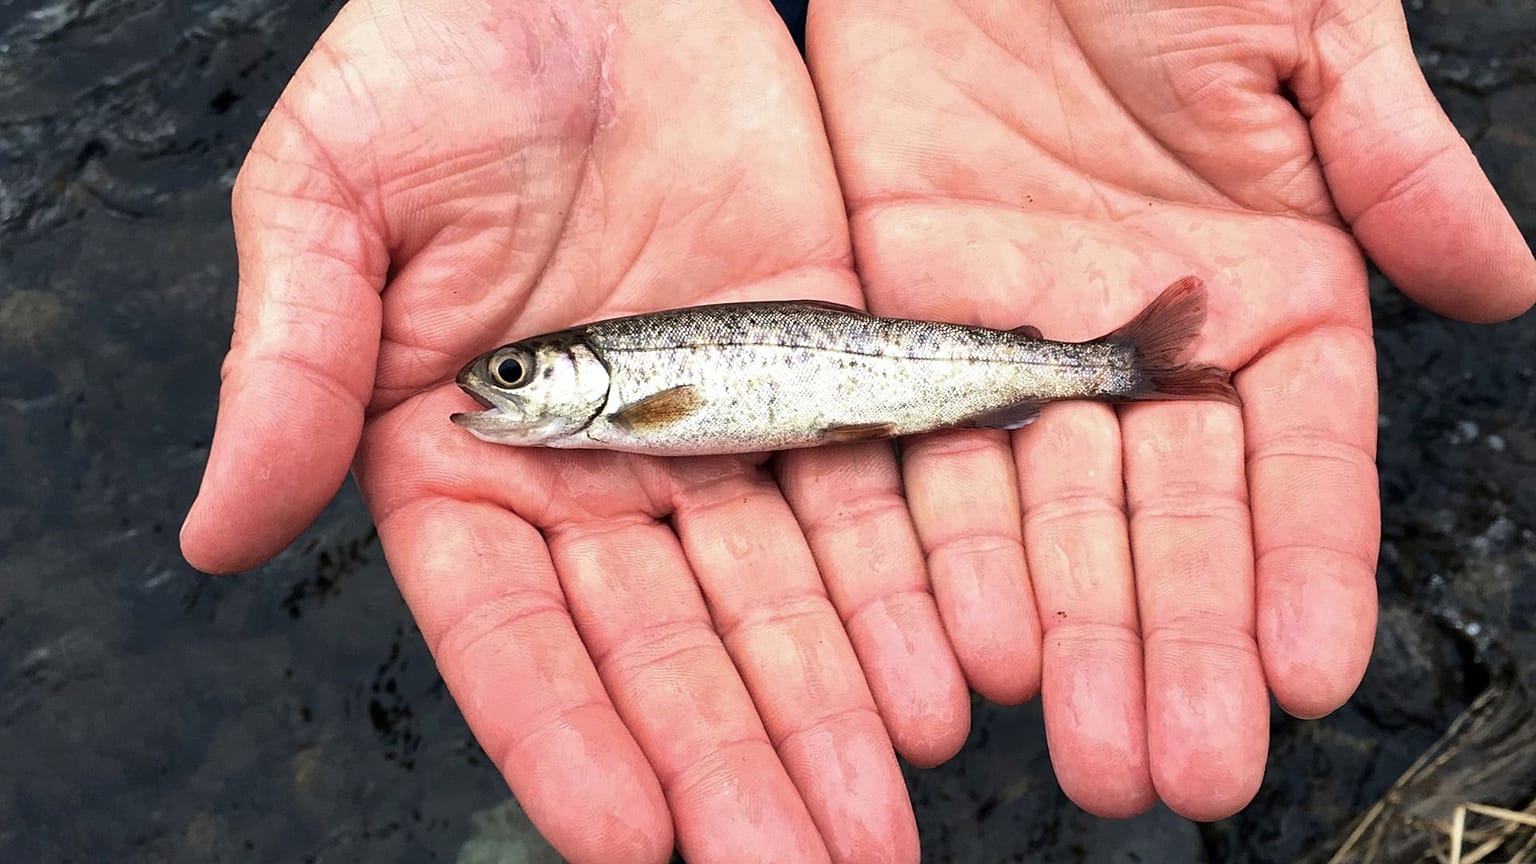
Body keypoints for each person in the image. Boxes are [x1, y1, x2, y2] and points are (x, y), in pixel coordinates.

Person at [179, 1, 1536, 861]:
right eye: (517, 379)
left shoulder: (633, 404)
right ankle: (1113, 368)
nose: (505, 398)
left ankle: (1114, 365)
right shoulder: (607, 406)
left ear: (585, 372)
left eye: (522, 376)